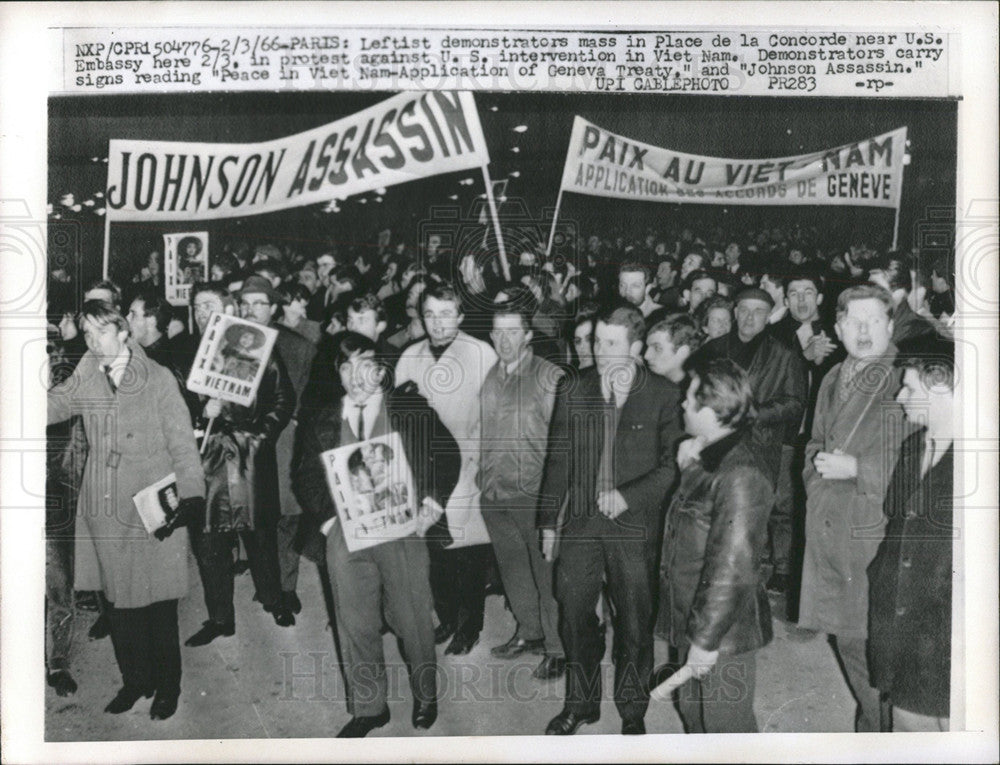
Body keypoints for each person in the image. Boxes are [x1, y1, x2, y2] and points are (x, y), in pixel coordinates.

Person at [293, 332, 461, 737]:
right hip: (345, 532)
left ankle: (425, 694)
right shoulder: (321, 417)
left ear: (381, 369)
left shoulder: (408, 407)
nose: (355, 375)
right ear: (338, 372)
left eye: (364, 363)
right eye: (346, 366)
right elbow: (304, 476)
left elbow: (448, 454)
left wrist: (433, 503)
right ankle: (370, 707)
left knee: (412, 617)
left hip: (403, 530)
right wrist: (329, 521)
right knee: (354, 620)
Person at [47, 300, 205, 720]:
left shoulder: (156, 379)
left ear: (122, 330)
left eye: (100, 330)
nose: (92, 340)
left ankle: (168, 687)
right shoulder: (87, 374)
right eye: (86, 333)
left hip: (152, 504)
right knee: (118, 606)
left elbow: (182, 442)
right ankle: (136, 681)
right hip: (105, 502)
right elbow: (57, 404)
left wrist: (191, 494)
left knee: (158, 605)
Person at [540, 302, 677, 736]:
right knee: (574, 614)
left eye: (611, 344)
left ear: (636, 348)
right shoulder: (574, 388)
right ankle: (581, 705)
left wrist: (627, 496)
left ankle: (633, 710)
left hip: (633, 526)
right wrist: (547, 522)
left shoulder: (663, 394)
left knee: (635, 622)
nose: (599, 352)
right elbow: (558, 458)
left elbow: (672, 467)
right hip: (581, 523)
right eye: (596, 341)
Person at [798, 284, 913, 732]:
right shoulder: (832, 376)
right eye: (854, 321)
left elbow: (923, 461)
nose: (863, 330)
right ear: (839, 326)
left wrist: (858, 469)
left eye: (874, 321)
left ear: (890, 325)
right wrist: (815, 479)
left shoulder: (907, 377)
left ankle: (884, 738)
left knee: (873, 656)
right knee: (849, 644)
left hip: (875, 533)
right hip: (830, 526)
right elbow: (813, 444)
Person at [660, 357, 774, 733]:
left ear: (711, 410)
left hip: (723, 632)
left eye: (690, 399)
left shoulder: (740, 473)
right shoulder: (708, 456)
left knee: (726, 727)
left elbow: (731, 567)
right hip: (696, 616)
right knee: (693, 711)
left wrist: (705, 642)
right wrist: (689, 468)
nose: (682, 405)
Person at [184, 280, 296, 647]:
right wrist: (202, 412)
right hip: (208, 457)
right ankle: (220, 618)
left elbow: (283, 399)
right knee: (210, 540)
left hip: (248, 454)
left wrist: (259, 438)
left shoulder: (254, 345)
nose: (203, 313)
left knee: (259, 533)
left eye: (210, 305)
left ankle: (274, 599)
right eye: (197, 307)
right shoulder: (183, 351)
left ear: (227, 309)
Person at [394, 282, 498, 655]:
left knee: (467, 553)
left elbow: (494, 414)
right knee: (435, 551)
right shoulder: (410, 356)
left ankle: (469, 627)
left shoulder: (481, 353)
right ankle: (449, 617)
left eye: (445, 314)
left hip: (470, 465)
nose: (437, 323)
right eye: (430, 314)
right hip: (425, 472)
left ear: (461, 316)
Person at [867, 336, 955, 732]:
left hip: (943, 636)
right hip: (902, 627)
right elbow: (894, 515)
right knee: (907, 725)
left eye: (910, 387)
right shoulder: (914, 446)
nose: (900, 396)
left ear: (941, 388)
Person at [479, 295, 566, 680]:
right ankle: (529, 632)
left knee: (546, 576)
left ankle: (558, 647)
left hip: (533, 493)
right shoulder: (491, 374)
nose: (504, 340)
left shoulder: (550, 377)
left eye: (512, 332)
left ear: (528, 334)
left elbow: (563, 445)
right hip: (495, 492)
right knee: (513, 571)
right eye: (498, 332)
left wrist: (552, 501)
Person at [696, 286, 806, 485]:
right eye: (744, 310)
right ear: (735, 313)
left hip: (759, 448)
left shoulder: (784, 355)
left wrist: (754, 414)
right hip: (713, 443)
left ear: (769, 316)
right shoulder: (713, 348)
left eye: (758, 311)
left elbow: (795, 403)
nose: (749, 317)